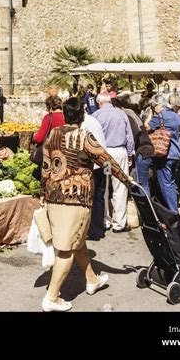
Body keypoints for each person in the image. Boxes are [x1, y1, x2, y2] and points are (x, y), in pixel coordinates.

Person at [41, 97, 133, 312]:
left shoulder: (53, 134)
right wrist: (128, 181)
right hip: (75, 199)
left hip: (54, 196)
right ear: (82, 115)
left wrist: (42, 192)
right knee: (65, 250)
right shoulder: (84, 137)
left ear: (65, 114)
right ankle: (52, 297)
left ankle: (91, 279)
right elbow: (106, 161)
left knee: (77, 240)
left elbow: (45, 166)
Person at [93, 93, 134, 232]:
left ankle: (105, 220)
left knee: (103, 187)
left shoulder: (96, 116)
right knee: (120, 187)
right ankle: (119, 223)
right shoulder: (121, 114)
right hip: (119, 152)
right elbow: (129, 136)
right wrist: (129, 154)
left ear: (99, 102)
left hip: (104, 154)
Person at [148, 94, 180, 214]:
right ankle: (174, 204)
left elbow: (146, 126)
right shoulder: (175, 115)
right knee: (172, 181)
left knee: (165, 182)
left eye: (153, 105)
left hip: (165, 153)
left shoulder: (160, 116)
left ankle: (172, 210)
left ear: (157, 105)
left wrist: (150, 114)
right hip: (177, 152)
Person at [82, 110, 108, 240]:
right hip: (102, 164)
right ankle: (98, 229)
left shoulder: (84, 124)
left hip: (93, 165)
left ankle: (93, 230)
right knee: (99, 198)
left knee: (91, 199)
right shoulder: (94, 121)